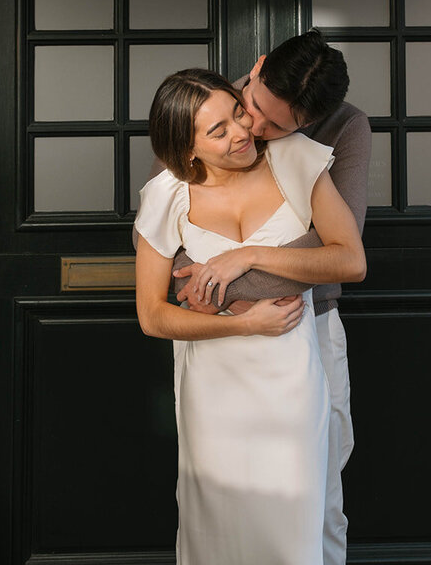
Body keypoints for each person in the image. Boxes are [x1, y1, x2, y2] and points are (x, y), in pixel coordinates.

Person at [134, 68, 366, 565]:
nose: (242, 132)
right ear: (188, 149)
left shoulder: (295, 159)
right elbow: (152, 315)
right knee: (218, 525)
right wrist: (241, 324)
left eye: (239, 113)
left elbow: (349, 260)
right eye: (218, 130)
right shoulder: (166, 195)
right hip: (211, 389)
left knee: (295, 524)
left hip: (292, 384)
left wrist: (247, 259)